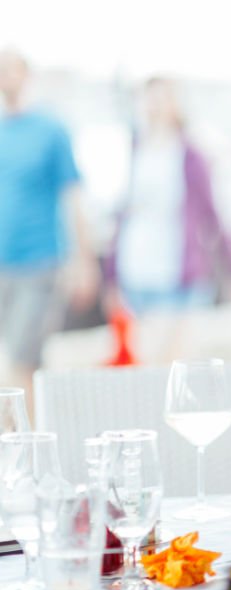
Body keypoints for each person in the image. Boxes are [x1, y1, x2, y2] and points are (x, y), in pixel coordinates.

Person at [0, 48, 99, 397]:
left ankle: (11, 439)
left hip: (40, 262)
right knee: (28, 362)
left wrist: (84, 262)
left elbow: (73, 197)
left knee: (20, 360)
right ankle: (35, 438)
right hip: (4, 264)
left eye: (9, 68)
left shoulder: (51, 129)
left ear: (26, 75)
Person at [106, 77, 231, 317]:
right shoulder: (135, 150)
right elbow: (122, 214)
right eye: (148, 99)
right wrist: (110, 275)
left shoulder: (190, 156)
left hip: (175, 274)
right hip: (135, 272)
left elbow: (212, 214)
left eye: (161, 99)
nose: (154, 106)